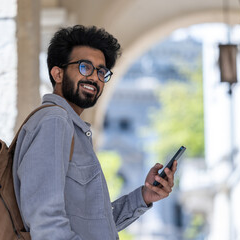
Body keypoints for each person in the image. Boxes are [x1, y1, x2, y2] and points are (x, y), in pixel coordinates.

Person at [12, 25, 177, 240]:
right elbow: (45, 221)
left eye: (101, 71)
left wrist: (145, 196)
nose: (95, 78)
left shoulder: (71, 127)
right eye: (84, 67)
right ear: (58, 73)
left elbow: (95, 224)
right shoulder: (55, 121)